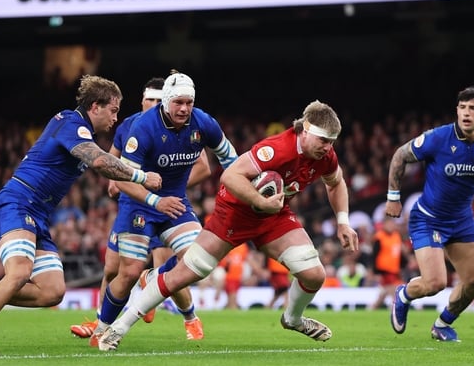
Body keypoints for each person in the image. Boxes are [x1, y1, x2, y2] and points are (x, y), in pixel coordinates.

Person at [97, 99, 360, 351]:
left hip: (272, 216)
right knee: (186, 274)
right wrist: (259, 199)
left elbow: (335, 183)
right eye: (323, 140)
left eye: (332, 142)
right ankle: (118, 327)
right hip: (234, 214)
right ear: (304, 130)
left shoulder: (325, 156)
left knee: (314, 273)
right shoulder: (277, 148)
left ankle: (292, 319)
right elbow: (230, 174)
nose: (327, 147)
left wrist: (343, 222)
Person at [0, 75, 162, 355]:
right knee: (20, 273)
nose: (115, 117)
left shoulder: (79, 128)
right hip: (18, 203)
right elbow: (98, 160)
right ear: (95, 106)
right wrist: (141, 176)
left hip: (37, 214)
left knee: (52, 291)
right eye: (113, 110)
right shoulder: (70, 122)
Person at [90, 70, 240, 344]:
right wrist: (155, 200)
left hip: (175, 203)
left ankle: (155, 277)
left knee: (199, 257)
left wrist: (247, 188)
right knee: (127, 273)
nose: (184, 108)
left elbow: (232, 160)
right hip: (138, 203)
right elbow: (122, 179)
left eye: (189, 102)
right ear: (165, 101)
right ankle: (101, 327)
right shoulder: (143, 127)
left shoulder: (204, 123)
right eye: (178, 103)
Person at [385, 86, 474, 342]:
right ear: (456, 110)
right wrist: (393, 197)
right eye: (462, 107)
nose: (466, 113)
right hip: (428, 218)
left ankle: (442, 325)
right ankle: (404, 295)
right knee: (435, 283)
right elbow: (400, 155)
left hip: (461, 220)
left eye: (472, 108)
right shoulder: (439, 138)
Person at [69, 77, 211, 340]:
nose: (155, 104)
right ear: (142, 100)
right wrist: (116, 181)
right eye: (151, 100)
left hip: (167, 207)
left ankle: (190, 317)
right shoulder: (129, 126)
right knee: (114, 270)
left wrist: (172, 187)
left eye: (160, 100)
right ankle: (101, 323)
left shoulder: (183, 127)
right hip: (133, 205)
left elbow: (204, 166)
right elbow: (113, 160)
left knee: (182, 263)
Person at [369, 216, 405, 310]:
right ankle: (395, 309)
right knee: (394, 290)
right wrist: (375, 271)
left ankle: (373, 308)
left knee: (385, 292)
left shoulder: (396, 236)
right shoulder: (379, 237)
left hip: (394, 269)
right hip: (384, 269)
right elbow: (374, 254)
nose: (391, 226)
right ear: (384, 225)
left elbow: (398, 253)